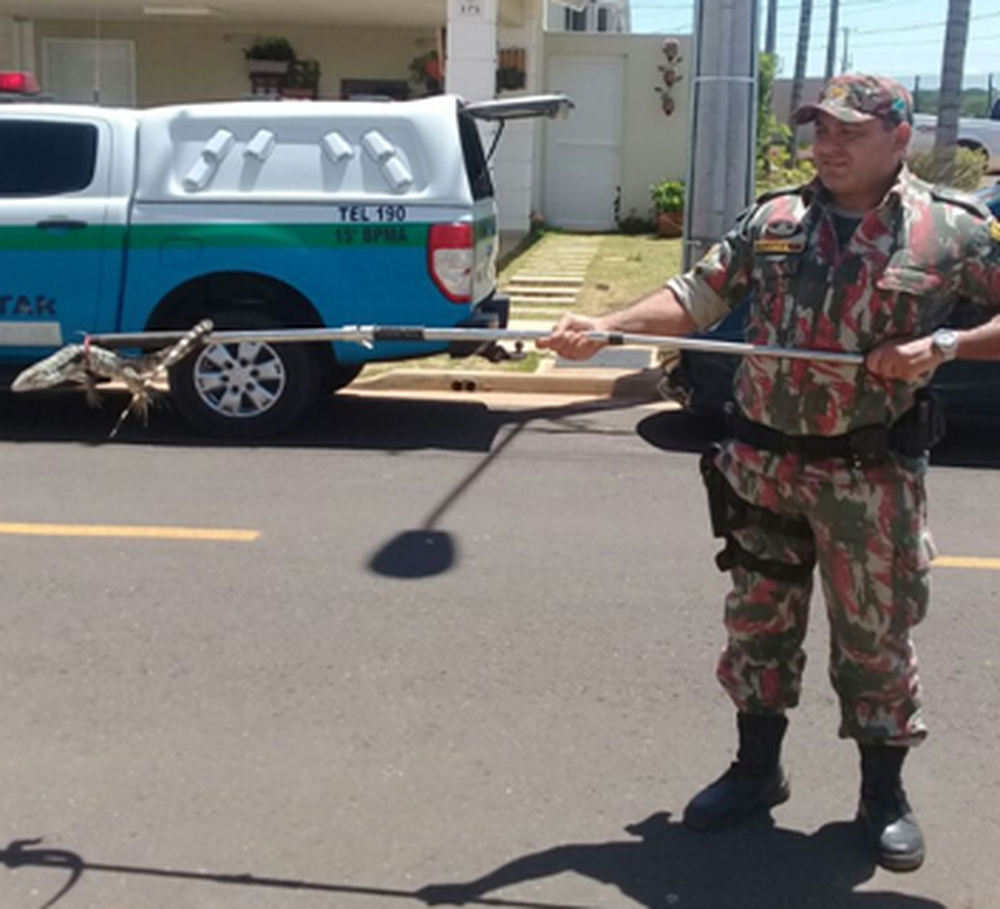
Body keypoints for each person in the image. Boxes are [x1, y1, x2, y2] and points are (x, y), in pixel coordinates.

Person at [538, 73, 1000, 873]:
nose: (826, 143)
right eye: (819, 128)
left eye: (848, 131)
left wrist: (945, 346)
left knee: (876, 641)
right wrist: (604, 325)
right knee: (758, 626)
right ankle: (757, 770)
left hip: (872, 474)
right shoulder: (776, 219)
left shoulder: (949, 232)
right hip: (761, 466)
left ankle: (881, 792)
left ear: (899, 139)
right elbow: (696, 296)